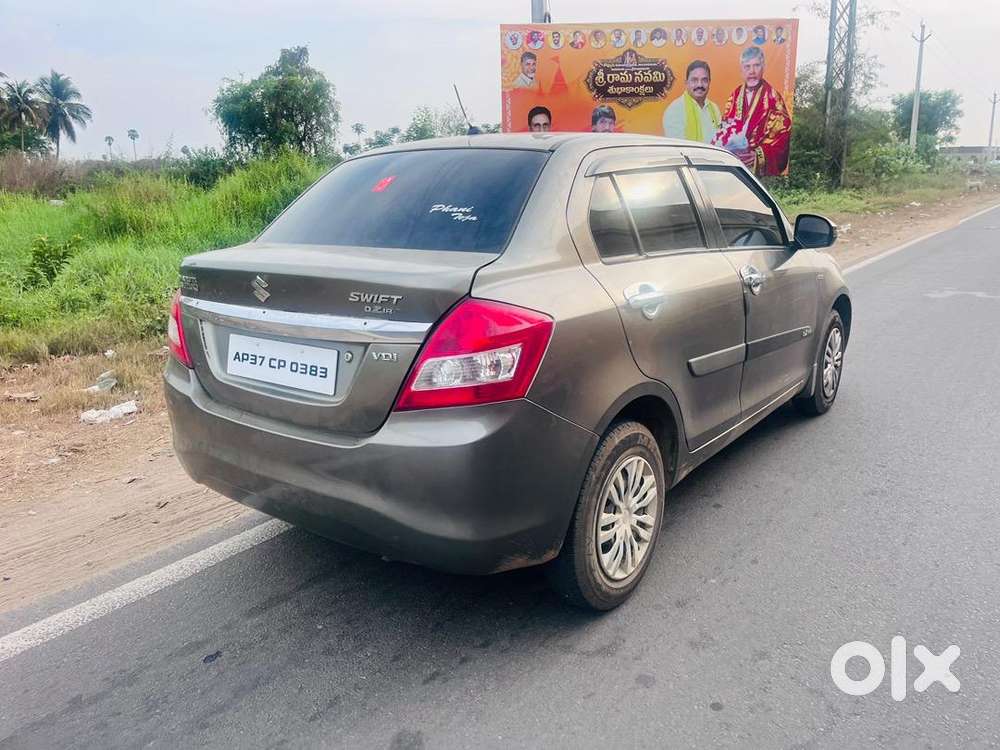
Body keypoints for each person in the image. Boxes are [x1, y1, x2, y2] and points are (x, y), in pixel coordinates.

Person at [712, 46, 792, 175]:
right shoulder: (735, 95)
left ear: (763, 67)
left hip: (759, 171)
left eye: (756, 65)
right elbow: (725, 128)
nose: (752, 71)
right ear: (741, 70)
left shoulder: (773, 98)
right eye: (747, 67)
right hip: (735, 166)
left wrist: (758, 155)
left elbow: (783, 139)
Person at [662, 60, 721, 143]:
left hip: (713, 156)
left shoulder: (714, 108)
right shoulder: (675, 110)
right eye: (694, 80)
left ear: (709, 82)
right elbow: (678, 147)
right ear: (686, 83)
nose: (699, 85)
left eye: (704, 80)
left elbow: (720, 141)